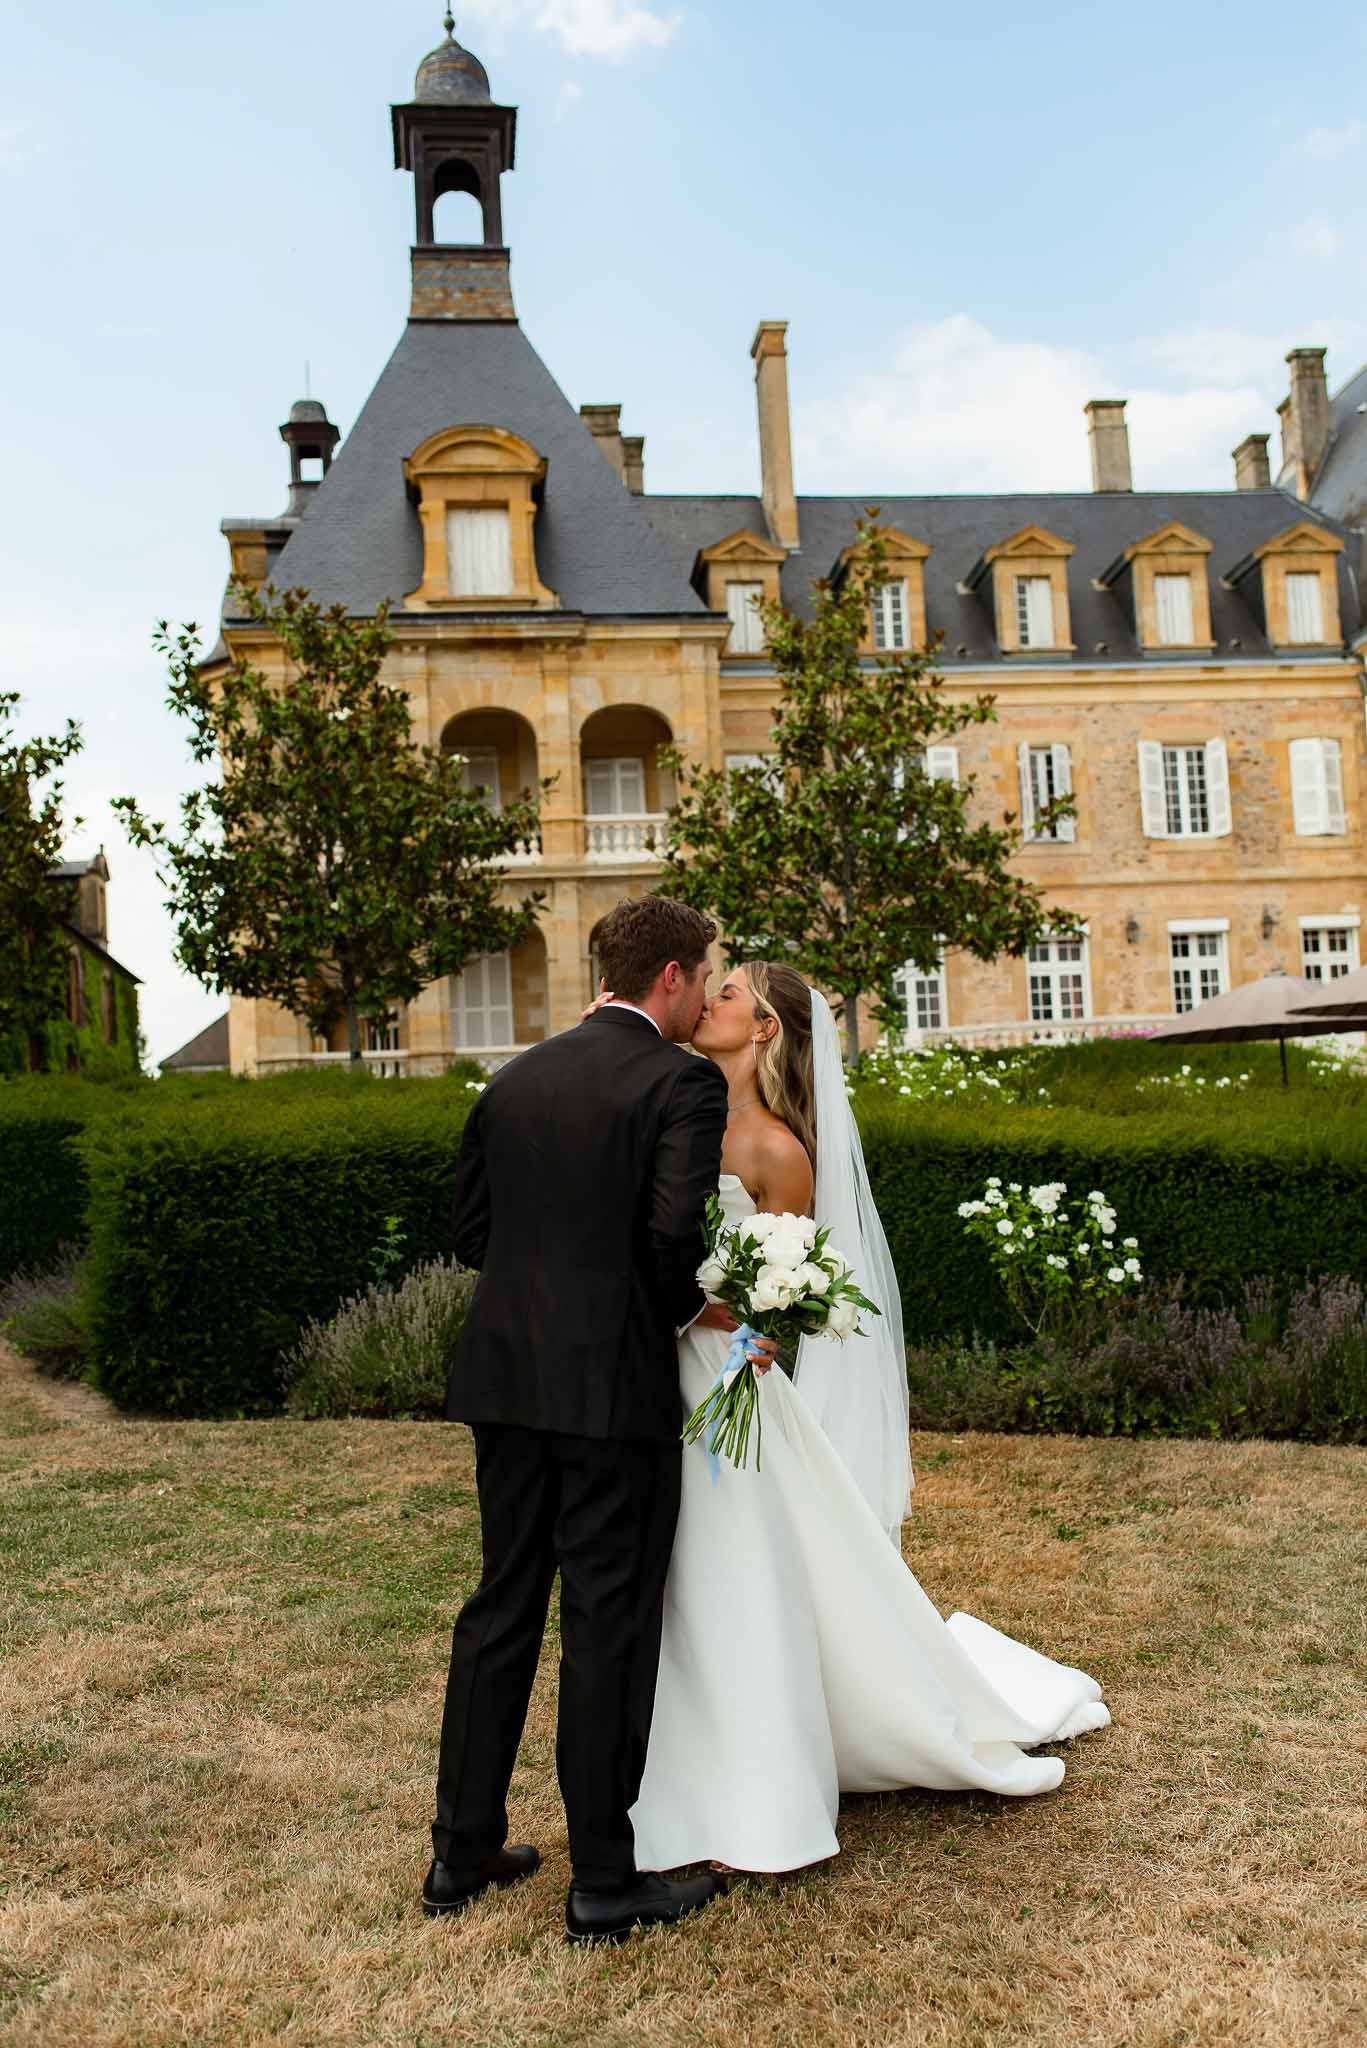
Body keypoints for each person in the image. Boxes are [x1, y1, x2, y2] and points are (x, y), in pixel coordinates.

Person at [614, 961, 1111, 1874]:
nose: (708, 1002)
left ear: (764, 1029)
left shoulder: (777, 1149)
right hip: (646, 1367)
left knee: (734, 1567)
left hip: (726, 1384)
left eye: (727, 995)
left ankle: (751, 1777)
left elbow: (779, 1299)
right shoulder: (664, 1108)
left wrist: (749, 1340)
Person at [424, 896, 776, 1946]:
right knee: (603, 1621)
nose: (702, 988)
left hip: (505, 1377)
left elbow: (472, 1225)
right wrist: (669, 1312)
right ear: (670, 976)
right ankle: (605, 1880)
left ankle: (460, 1849)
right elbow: (675, 1234)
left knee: (500, 1603)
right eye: (701, 973)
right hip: (611, 1388)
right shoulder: (676, 1081)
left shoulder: (515, 1075)